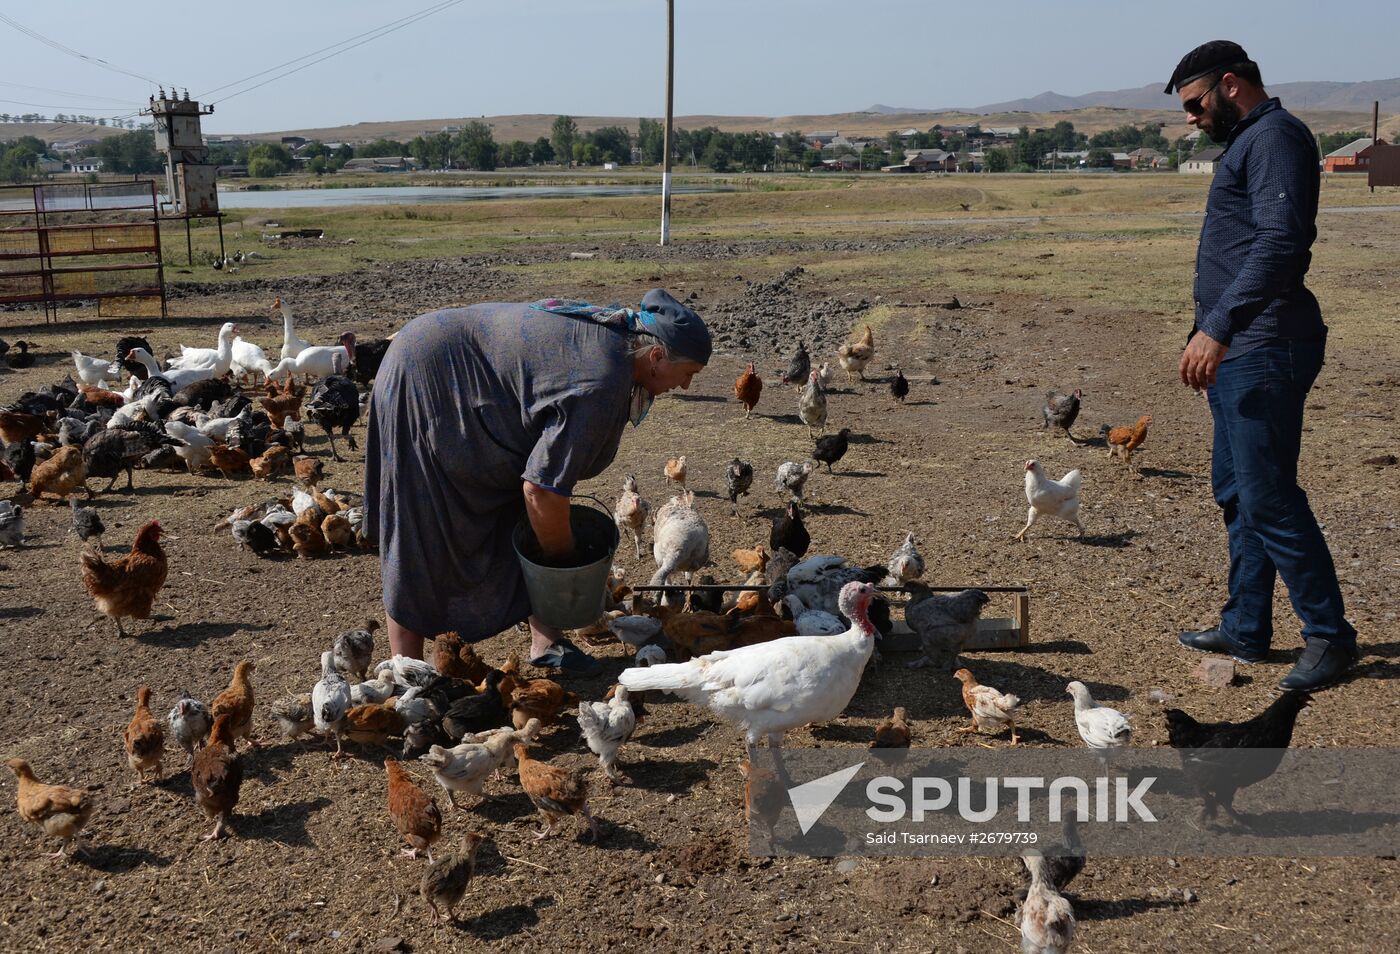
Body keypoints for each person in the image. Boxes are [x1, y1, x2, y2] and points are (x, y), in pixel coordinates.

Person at [364, 289, 710, 674]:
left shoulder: (619, 342)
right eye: (689, 374)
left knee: (525, 508)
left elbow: (540, 481)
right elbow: (542, 493)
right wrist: (564, 566)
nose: (686, 387)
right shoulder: (601, 382)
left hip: (469, 384)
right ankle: (408, 672)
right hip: (428, 377)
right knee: (418, 522)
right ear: (657, 357)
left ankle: (546, 641)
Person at [1167, 40, 1357, 691]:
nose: (1190, 118)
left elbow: (1280, 245)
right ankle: (1246, 626)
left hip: (1266, 345)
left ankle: (1330, 637)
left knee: (1270, 496)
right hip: (1240, 351)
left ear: (1230, 84)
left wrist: (1218, 329)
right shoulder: (1251, 140)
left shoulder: (1275, 137)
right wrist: (1205, 334)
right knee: (1239, 493)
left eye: (1195, 104)